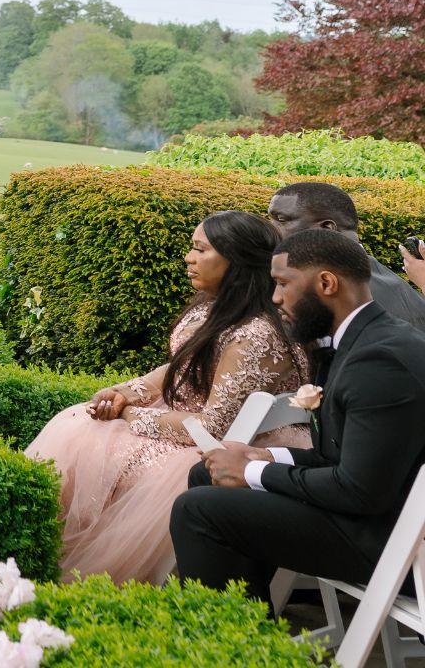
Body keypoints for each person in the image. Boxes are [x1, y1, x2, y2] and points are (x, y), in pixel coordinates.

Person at [24, 211, 308, 583]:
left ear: (236, 260)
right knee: (77, 424)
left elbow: (208, 428)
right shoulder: (220, 309)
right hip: (193, 426)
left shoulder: (256, 334)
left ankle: (64, 566)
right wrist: (126, 392)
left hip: (220, 448)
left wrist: (128, 416)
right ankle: (36, 551)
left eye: (199, 249)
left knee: (90, 445)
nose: (188, 258)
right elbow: (181, 366)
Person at [172, 228, 425, 603]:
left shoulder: (381, 359)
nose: (274, 298)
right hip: (376, 512)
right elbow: (344, 456)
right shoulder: (359, 339)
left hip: (396, 542)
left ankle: (235, 647)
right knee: (206, 475)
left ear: (326, 283)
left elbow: (359, 491)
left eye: (282, 284)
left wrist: (251, 472)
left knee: (199, 510)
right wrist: (266, 456)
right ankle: (249, 634)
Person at [267, 181, 425, 329]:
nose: (269, 228)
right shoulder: (379, 279)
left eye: (281, 220)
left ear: (327, 229)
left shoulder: (352, 295)